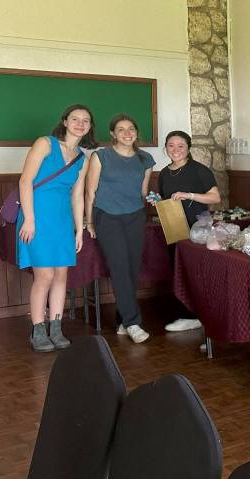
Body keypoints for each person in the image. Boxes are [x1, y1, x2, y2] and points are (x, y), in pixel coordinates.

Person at [16, 104, 96, 352]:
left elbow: (77, 195)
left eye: (85, 120)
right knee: (45, 276)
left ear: (90, 127)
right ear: (64, 121)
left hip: (62, 220)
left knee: (62, 274)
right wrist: (29, 219)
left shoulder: (84, 157)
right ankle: (38, 329)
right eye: (75, 119)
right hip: (37, 215)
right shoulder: (45, 143)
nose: (80, 124)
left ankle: (56, 328)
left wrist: (80, 228)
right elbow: (25, 181)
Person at [85, 113, 156, 344]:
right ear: (113, 134)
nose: (127, 133)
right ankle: (133, 322)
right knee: (119, 266)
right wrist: (89, 221)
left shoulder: (145, 159)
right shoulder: (101, 156)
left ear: (136, 133)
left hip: (135, 216)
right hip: (107, 216)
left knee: (132, 268)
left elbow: (143, 192)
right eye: (121, 129)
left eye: (131, 129)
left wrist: (157, 199)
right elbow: (90, 192)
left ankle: (123, 320)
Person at [157, 130, 220, 333]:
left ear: (188, 148)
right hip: (174, 229)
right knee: (178, 271)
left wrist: (189, 195)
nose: (175, 150)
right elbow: (168, 200)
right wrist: (156, 202)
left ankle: (200, 315)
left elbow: (215, 198)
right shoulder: (165, 173)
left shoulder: (199, 170)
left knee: (197, 273)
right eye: (171, 145)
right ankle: (187, 315)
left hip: (197, 230)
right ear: (165, 148)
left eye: (180, 146)